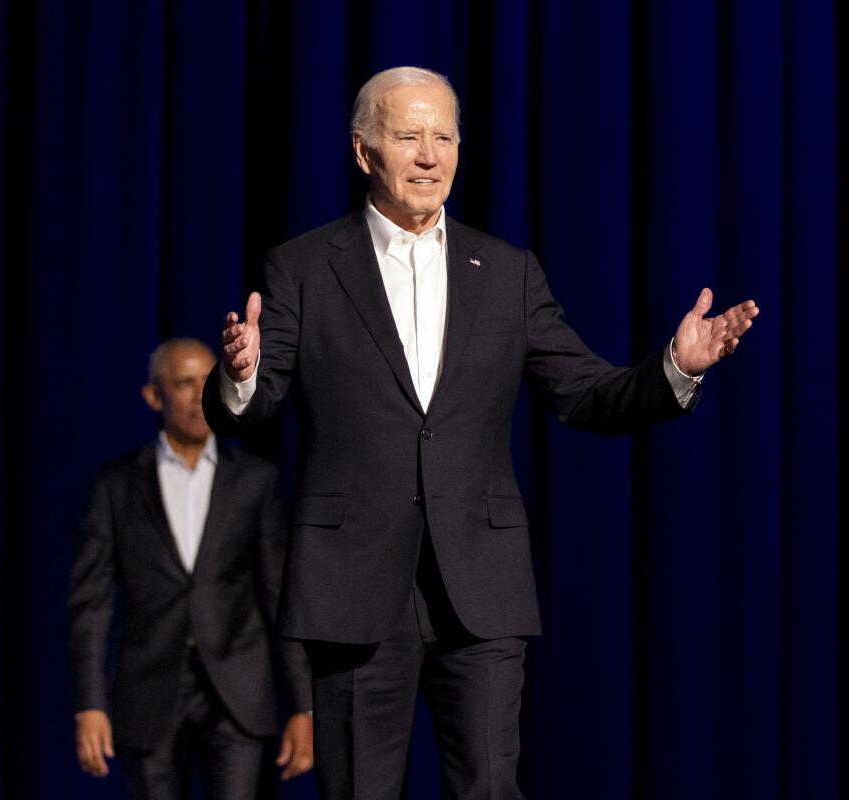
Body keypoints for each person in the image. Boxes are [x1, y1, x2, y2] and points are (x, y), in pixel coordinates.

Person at [204, 67, 760, 800]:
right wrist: (239, 373)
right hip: (351, 587)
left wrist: (673, 369)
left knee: (492, 789)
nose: (430, 155)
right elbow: (254, 401)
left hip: (482, 584)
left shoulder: (506, 272)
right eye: (408, 136)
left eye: (444, 137)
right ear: (364, 152)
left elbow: (587, 395)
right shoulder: (303, 267)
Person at [67, 338, 313, 799]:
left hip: (238, 691)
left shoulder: (254, 482)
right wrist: (89, 705)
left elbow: (281, 594)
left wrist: (304, 706)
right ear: (154, 396)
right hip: (148, 692)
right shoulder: (116, 487)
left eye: (209, 380)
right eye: (184, 383)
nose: (201, 394)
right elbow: (90, 603)